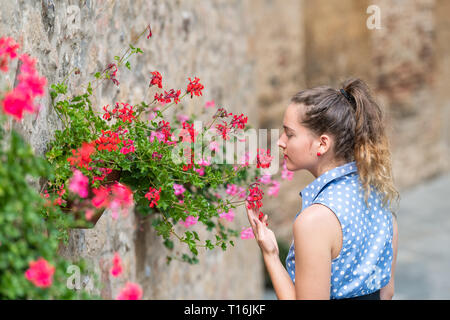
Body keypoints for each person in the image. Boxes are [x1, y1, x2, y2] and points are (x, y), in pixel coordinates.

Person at [246, 78, 400, 300]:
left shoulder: (315, 221)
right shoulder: (379, 202)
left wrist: (270, 255)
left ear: (322, 144)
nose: (280, 141)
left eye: (289, 134)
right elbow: (387, 293)